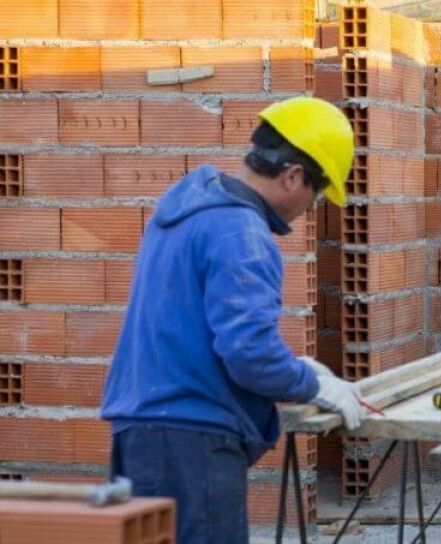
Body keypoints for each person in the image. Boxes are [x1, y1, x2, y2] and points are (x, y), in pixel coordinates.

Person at [101, 97, 366, 544]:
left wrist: (294, 367)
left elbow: (196, 328)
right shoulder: (242, 233)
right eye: (317, 193)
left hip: (142, 433)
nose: (311, 207)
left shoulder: (190, 207)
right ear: (293, 176)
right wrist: (311, 384)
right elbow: (249, 354)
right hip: (193, 441)